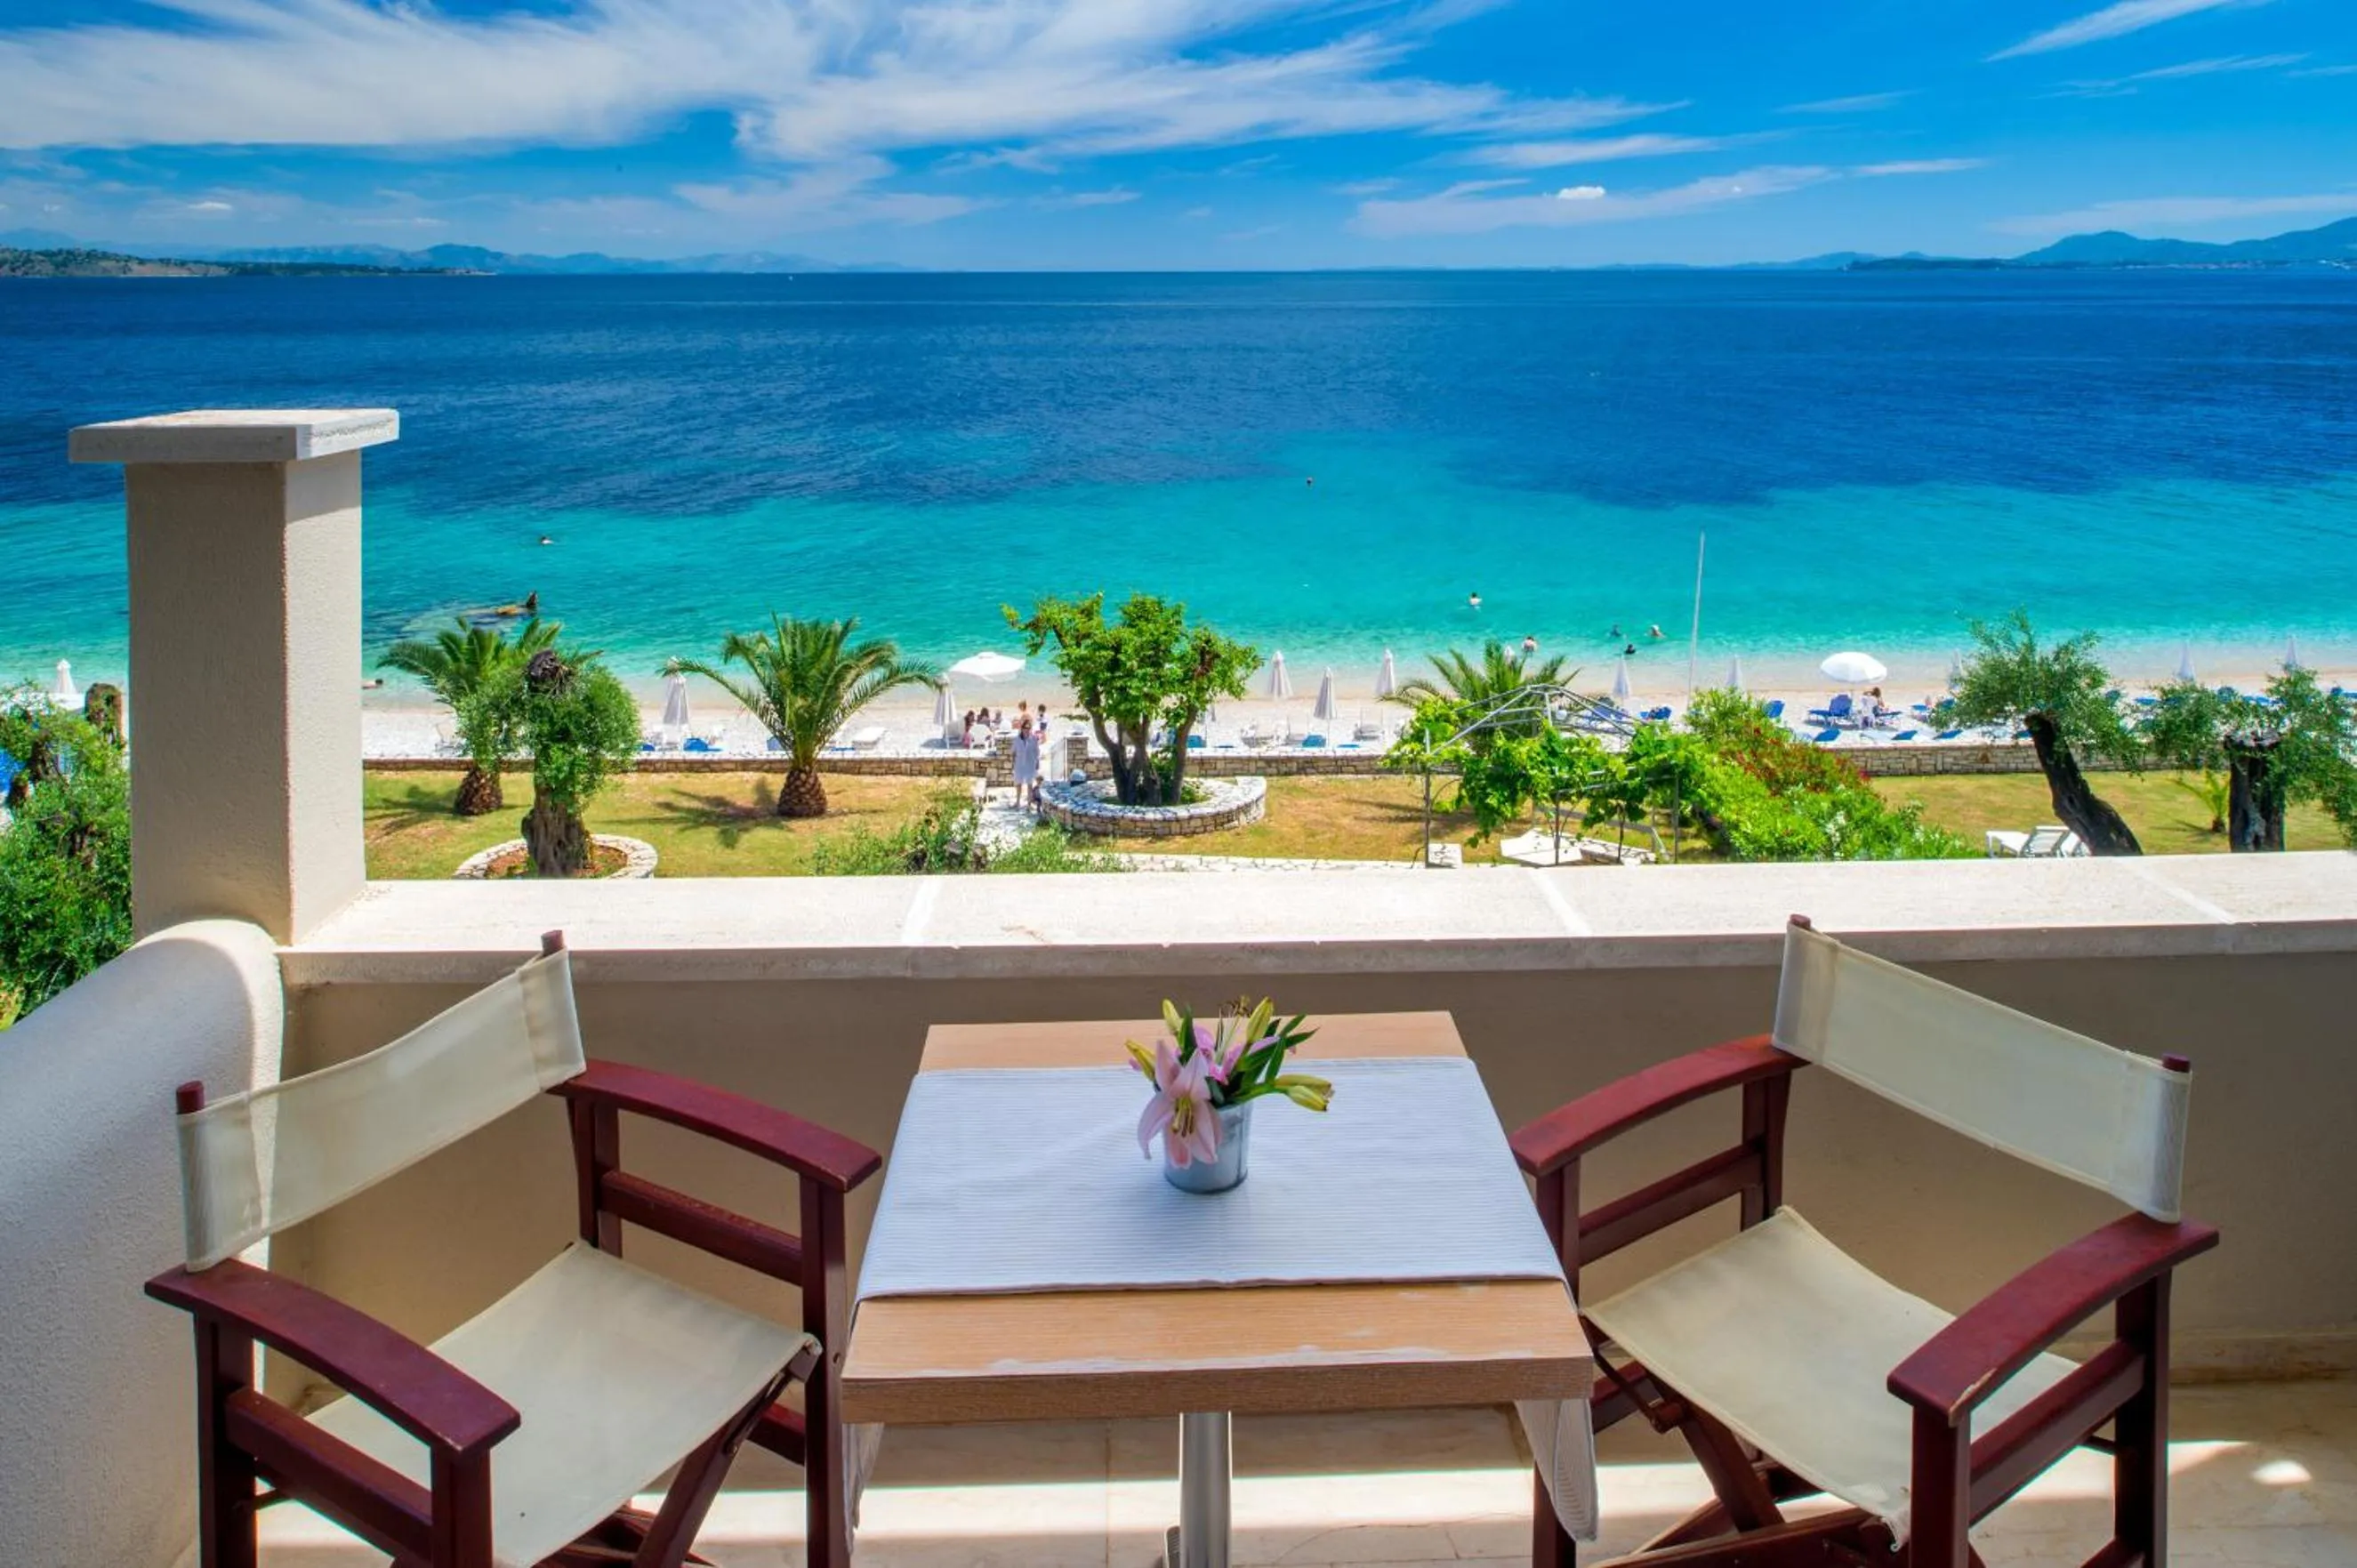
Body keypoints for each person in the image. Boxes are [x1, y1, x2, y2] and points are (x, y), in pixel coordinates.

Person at [1011, 718, 1042, 812]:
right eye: (1025, 727)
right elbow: (1013, 752)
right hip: (1019, 764)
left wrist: (1037, 762)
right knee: (1018, 784)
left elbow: (1037, 752)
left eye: (1029, 728)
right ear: (1022, 728)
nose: (1027, 730)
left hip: (1030, 764)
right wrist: (1013, 764)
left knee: (1029, 784)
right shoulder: (1017, 739)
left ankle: (1028, 805)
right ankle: (1018, 802)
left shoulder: (1033, 739)